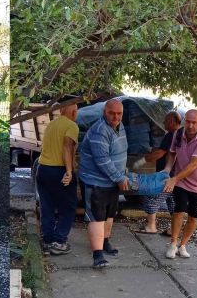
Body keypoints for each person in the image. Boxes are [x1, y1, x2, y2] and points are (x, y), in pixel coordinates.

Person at [78, 99, 129, 268]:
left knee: (109, 215)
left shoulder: (119, 127)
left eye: (119, 113)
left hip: (111, 182)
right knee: (97, 218)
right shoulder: (99, 131)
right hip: (95, 182)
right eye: (111, 113)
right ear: (104, 112)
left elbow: (121, 151)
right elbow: (103, 161)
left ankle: (105, 243)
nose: (115, 117)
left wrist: (123, 172)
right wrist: (120, 178)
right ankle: (97, 256)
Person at [162, 109, 197, 259]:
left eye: (194, 123)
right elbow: (172, 153)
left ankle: (183, 245)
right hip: (182, 183)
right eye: (188, 122)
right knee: (179, 211)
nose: (190, 125)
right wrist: (167, 170)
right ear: (184, 121)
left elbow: (193, 165)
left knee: (193, 216)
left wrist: (173, 179)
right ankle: (173, 244)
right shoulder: (178, 134)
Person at [36, 103, 79, 255]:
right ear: (74, 112)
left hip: (43, 169)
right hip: (59, 171)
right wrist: (69, 171)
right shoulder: (72, 126)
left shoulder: (51, 125)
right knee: (67, 208)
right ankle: (59, 242)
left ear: (61, 110)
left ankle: (47, 241)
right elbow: (67, 146)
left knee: (46, 206)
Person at [133, 111, 182, 235]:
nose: (164, 123)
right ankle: (174, 230)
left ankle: (151, 226)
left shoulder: (171, 135)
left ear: (171, 121)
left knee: (151, 196)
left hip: (167, 176)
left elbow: (160, 153)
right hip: (174, 176)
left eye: (165, 121)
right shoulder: (180, 135)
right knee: (172, 202)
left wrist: (143, 160)